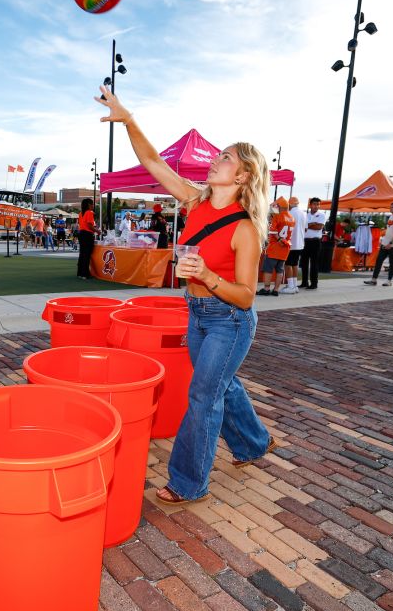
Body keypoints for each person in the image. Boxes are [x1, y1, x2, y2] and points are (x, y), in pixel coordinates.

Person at [96, 85, 275, 505]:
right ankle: (252, 443)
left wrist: (209, 277)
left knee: (203, 395)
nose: (216, 160)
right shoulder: (195, 203)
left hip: (229, 320)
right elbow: (153, 161)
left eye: (226, 157)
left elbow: (247, 296)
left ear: (244, 175)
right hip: (195, 312)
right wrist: (128, 119)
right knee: (221, 385)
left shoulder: (245, 228)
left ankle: (188, 482)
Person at [256, 197, 293, 297]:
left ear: (279, 206)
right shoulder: (292, 218)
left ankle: (266, 288)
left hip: (275, 247)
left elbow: (272, 231)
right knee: (280, 270)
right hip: (285, 247)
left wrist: (278, 239)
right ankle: (276, 289)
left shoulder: (278, 217)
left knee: (268, 269)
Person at [365, 201, 393, 286]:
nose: (390, 208)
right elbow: (389, 230)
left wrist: (391, 242)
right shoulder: (391, 216)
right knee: (379, 261)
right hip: (385, 243)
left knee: (392, 263)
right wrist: (384, 241)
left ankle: (389, 280)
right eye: (390, 207)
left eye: (392, 207)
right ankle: (374, 279)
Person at [300, 197, 324, 290]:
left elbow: (319, 227)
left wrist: (307, 225)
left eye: (318, 204)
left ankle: (314, 283)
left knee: (314, 263)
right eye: (314, 204)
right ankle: (304, 282)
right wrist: (311, 224)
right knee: (304, 263)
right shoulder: (305, 215)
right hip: (305, 241)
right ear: (310, 205)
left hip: (315, 241)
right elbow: (302, 227)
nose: (316, 206)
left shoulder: (321, 215)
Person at [283, 195, 306, 294]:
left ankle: (291, 286)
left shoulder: (289, 213)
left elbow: (284, 229)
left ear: (290, 204)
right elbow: (306, 228)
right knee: (295, 264)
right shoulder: (304, 214)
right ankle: (294, 285)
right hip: (300, 243)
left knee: (288, 265)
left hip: (290, 243)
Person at [75, 197, 96, 280]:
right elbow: (90, 226)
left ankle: (80, 273)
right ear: (89, 205)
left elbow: (82, 225)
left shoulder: (81, 213)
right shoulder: (90, 213)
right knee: (87, 255)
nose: (93, 206)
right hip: (88, 235)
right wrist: (98, 231)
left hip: (82, 234)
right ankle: (85, 274)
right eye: (92, 204)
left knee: (82, 254)